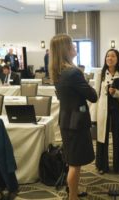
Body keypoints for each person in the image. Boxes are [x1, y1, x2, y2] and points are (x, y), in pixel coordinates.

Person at [49, 34, 97, 200]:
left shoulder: (58, 72)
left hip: (67, 121)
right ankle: (73, 197)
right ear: (66, 49)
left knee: (72, 161)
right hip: (76, 123)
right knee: (75, 164)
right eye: (72, 45)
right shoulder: (73, 73)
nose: (75, 47)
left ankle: (73, 191)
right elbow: (93, 96)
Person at [95, 49, 119, 174]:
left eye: (113, 56)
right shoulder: (101, 74)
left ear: (117, 59)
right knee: (102, 138)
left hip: (118, 109)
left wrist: (116, 93)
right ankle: (101, 165)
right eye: (107, 56)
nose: (110, 58)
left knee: (118, 136)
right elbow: (96, 94)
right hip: (104, 109)